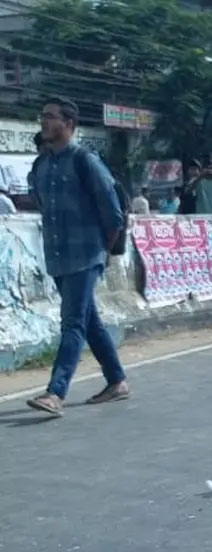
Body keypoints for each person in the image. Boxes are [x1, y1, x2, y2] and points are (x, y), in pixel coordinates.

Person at [25, 96, 128, 416]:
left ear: (69, 124)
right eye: (42, 116)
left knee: (72, 323)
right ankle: (117, 381)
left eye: (50, 117)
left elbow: (113, 215)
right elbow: (42, 207)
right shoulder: (40, 166)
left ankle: (56, 393)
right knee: (89, 321)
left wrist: (103, 251)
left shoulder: (85, 161)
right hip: (57, 256)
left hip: (86, 255)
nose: (43, 121)